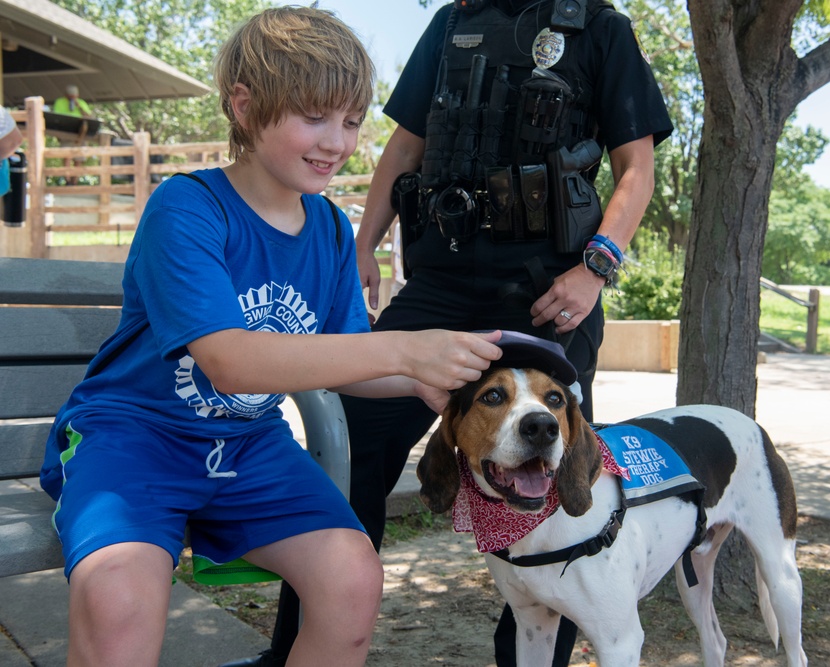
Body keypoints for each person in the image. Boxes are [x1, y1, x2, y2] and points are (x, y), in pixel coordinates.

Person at [38, 8, 502, 667]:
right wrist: (402, 346)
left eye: (350, 120)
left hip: (248, 447)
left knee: (352, 575)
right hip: (135, 441)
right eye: (314, 116)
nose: (337, 141)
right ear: (246, 106)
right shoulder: (189, 207)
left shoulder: (332, 231)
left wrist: (432, 375)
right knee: (117, 597)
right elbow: (229, 359)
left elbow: (344, 360)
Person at [227, 2, 674, 666]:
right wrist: (363, 244)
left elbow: (636, 165)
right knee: (352, 446)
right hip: (441, 285)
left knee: (550, 489)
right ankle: (297, 646)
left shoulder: (600, 29)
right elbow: (407, 144)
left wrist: (594, 270)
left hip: (550, 289)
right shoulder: (450, 23)